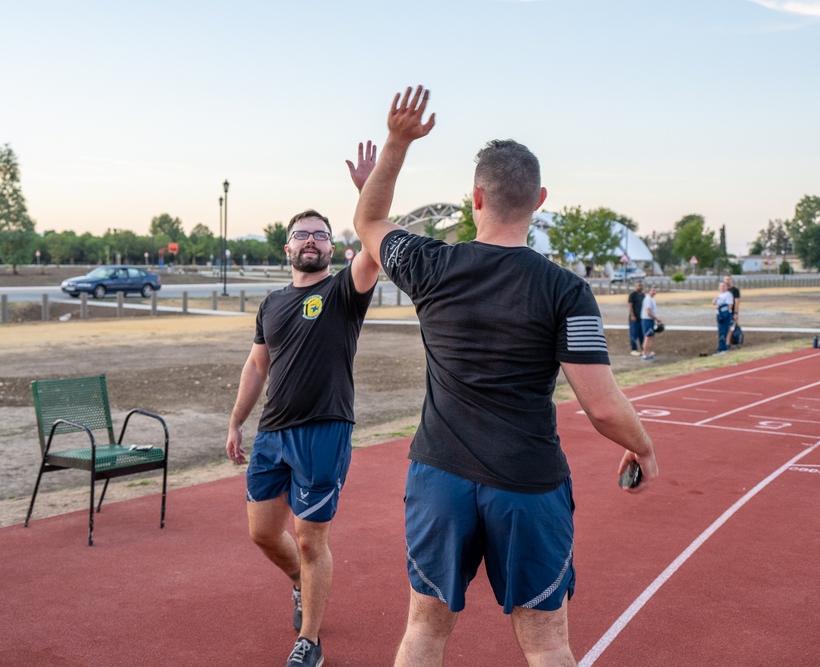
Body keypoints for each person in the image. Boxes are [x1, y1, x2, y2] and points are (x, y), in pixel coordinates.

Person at [352, 86, 659, 667]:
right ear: (539, 199)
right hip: (527, 482)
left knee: (424, 629)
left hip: (439, 475)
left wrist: (397, 142)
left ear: (475, 197)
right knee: (547, 642)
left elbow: (368, 218)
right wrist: (641, 447)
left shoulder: (430, 264)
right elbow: (604, 407)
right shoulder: (567, 290)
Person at [226, 143, 380, 667]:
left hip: (324, 430)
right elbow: (256, 367)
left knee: (311, 540)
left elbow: (375, 246)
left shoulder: (344, 291)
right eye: (301, 234)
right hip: (272, 433)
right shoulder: (270, 303)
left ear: (332, 247)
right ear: (286, 248)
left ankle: (309, 642)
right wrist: (236, 421)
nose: (310, 240)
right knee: (263, 533)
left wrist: (367, 193)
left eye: (319, 233)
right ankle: (298, 582)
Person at [640, 285, 663, 361]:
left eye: (655, 290)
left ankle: (648, 353)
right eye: (653, 290)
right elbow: (648, 312)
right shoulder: (648, 300)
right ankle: (645, 354)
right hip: (647, 320)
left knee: (651, 337)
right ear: (648, 291)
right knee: (647, 337)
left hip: (650, 320)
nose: (654, 292)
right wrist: (656, 318)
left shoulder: (651, 299)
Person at [712, 280, 734, 355]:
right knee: (720, 332)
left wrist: (720, 308)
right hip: (719, 316)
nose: (722, 287)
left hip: (725, 316)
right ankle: (722, 347)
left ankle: (722, 348)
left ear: (727, 287)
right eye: (721, 286)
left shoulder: (728, 295)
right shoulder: (719, 295)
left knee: (723, 332)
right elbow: (714, 304)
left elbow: (729, 306)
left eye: (724, 286)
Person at [627, 281, 645, 356]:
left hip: (641, 318)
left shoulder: (643, 295)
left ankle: (643, 348)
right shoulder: (633, 295)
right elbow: (630, 305)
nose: (639, 287)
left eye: (641, 286)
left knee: (642, 334)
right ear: (636, 286)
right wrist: (632, 315)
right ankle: (633, 349)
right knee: (633, 334)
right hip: (634, 318)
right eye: (638, 286)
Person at [723, 275, 741, 347]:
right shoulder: (724, 290)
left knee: (729, 328)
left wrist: (736, 313)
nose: (727, 281)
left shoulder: (735, 290)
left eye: (728, 279)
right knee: (725, 328)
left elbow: (737, 302)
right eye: (726, 280)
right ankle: (725, 343)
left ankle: (728, 344)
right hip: (724, 312)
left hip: (732, 312)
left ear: (731, 280)